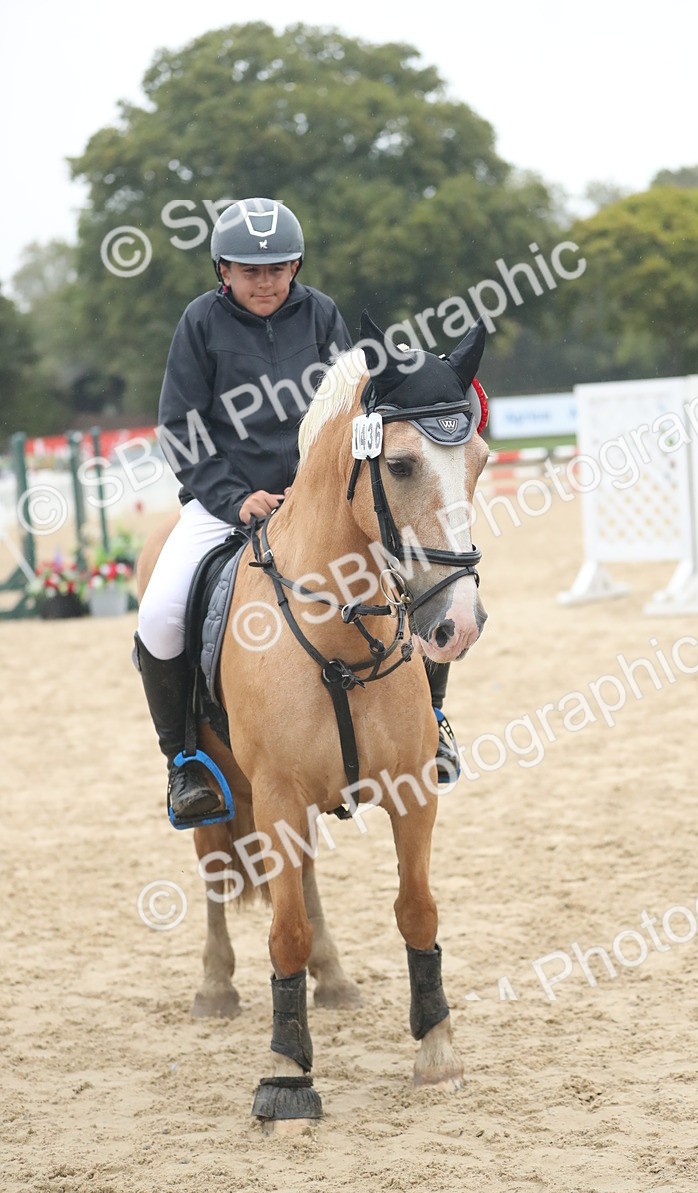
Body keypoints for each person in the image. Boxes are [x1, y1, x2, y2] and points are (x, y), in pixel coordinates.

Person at [134, 196, 460, 828]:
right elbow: (180, 428)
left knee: (422, 577)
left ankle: (434, 725)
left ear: (297, 266)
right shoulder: (199, 323)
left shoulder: (323, 315)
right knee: (161, 613)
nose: (265, 281)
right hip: (224, 504)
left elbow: (350, 407)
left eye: (278, 268)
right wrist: (235, 497)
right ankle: (185, 763)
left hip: (316, 503)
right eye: (249, 269)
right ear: (221, 270)